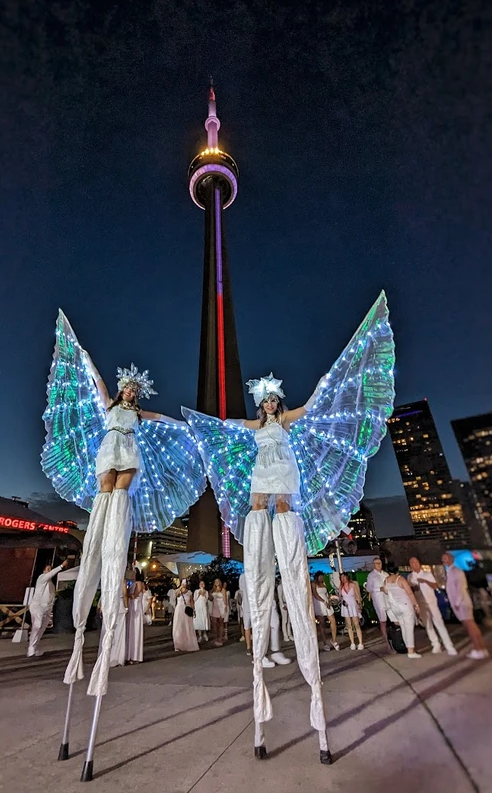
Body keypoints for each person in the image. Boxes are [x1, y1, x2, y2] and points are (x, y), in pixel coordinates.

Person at [184, 293, 395, 761]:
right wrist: (207, 424)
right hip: (262, 470)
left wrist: (321, 387)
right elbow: (232, 425)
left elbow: (311, 409)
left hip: (285, 473)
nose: (272, 404)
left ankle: (278, 525)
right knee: (257, 506)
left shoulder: (287, 420)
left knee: (281, 505)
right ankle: (261, 527)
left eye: (275, 400)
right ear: (262, 406)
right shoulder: (256, 426)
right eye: (269, 402)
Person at [41, 312, 205, 703]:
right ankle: (104, 522)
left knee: (122, 492)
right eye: (127, 388)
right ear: (121, 390)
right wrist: (82, 355)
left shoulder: (136, 414)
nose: (130, 393)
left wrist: (187, 427)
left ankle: (117, 522)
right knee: (106, 489)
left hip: (128, 449)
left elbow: (161, 418)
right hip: (107, 448)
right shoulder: (108, 406)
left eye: (134, 390)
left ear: (137, 395)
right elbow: (97, 380)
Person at [442, 553, 488, 659]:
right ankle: (481, 648)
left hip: (461, 603)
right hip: (461, 602)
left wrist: (457, 602)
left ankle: (478, 649)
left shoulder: (455, 571)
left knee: (470, 625)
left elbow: (460, 588)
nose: (443, 561)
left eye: (445, 559)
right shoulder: (450, 571)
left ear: (450, 560)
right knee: (471, 625)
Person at [408, 557, 457, 656]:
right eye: (412, 562)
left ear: (419, 563)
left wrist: (425, 581)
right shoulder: (410, 577)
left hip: (432, 602)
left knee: (439, 623)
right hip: (421, 603)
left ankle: (449, 646)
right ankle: (435, 644)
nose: (415, 564)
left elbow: (435, 586)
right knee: (428, 625)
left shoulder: (427, 574)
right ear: (410, 565)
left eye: (416, 562)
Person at [27, 559, 69, 657]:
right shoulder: (41, 578)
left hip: (46, 607)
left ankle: (34, 647)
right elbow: (50, 575)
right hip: (38, 606)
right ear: (44, 570)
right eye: (48, 569)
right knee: (37, 625)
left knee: (42, 628)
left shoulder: (51, 585)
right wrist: (61, 566)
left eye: (50, 568)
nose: (50, 570)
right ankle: (31, 647)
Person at [383, 564, 422, 659]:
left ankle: (408, 648)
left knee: (404, 628)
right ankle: (411, 651)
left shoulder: (386, 580)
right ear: (397, 570)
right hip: (405, 606)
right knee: (409, 629)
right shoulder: (400, 579)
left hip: (396, 608)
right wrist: (416, 605)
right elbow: (409, 593)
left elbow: (385, 591)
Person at [365, 558, 392, 652]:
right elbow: (369, 589)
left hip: (388, 600)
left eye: (379, 563)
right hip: (379, 601)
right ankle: (387, 644)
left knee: (393, 620)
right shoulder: (371, 575)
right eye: (376, 563)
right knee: (383, 621)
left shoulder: (385, 574)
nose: (378, 565)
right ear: (373, 564)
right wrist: (379, 589)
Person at [312, 573, 339, 651]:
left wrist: (329, 600)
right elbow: (315, 594)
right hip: (319, 603)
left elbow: (327, 593)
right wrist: (324, 601)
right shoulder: (314, 583)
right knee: (322, 623)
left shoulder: (323, 583)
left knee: (333, 620)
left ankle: (334, 640)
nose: (322, 578)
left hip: (327, 603)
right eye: (321, 577)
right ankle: (325, 643)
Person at [172, 580, 199, 652]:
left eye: (185, 583)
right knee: (179, 626)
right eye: (183, 583)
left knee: (187, 626)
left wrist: (193, 610)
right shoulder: (178, 590)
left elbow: (191, 602)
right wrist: (180, 588)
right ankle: (178, 644)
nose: (184, 584)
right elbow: (176, 595)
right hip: (179, 610)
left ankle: (188, 643)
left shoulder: (189, 592)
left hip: (187, 610)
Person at [339, 573, 363, 650]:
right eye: (341, 577)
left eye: (344, 577)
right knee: (349, 625)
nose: (343, 578)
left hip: (353, 605)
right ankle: (352, 643)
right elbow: (340, 597)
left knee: (356, 625)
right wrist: (342, 601)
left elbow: (358, 596)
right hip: (345, 607)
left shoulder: (353, 585)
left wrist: (359, 606)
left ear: (347, 577)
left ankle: (360, 643)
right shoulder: (341, 586)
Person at [125, 567, 145, 664]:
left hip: (136, 607)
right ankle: (130, 654)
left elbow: (134, 595)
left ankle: (136, 655)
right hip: (132, 607)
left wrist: (127, 593)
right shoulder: (132, 583)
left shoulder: (139, 583)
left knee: (136, 630)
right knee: (131, 630)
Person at [209, 578, 227, 647]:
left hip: (221, 607)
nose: (217, 582)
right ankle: (216, 637)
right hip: (215, 607)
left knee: (220, 623)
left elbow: (225, 599)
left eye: (218, 581)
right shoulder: (213, 590)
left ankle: (220, 639)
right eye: (215, 581)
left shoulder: (223, 590)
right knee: (214, 624)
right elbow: (210, 599)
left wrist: (225, 608)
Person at [238, 573, 252, 655]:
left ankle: (257, 647)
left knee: (255, 628)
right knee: (247, 627)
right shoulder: (242, 577)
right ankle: (248, 647)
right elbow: (241, 591)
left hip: (254, 607)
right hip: (246, 606)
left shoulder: (255, 574)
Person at [277, 576, 293, 643]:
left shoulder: (287, 586)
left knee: (289, 621)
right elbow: (280, 597)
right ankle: (285, 635)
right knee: (285, 620)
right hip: (283, 604)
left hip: (288, 604)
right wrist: (283, 605)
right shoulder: (280, 586)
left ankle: (289, 634)